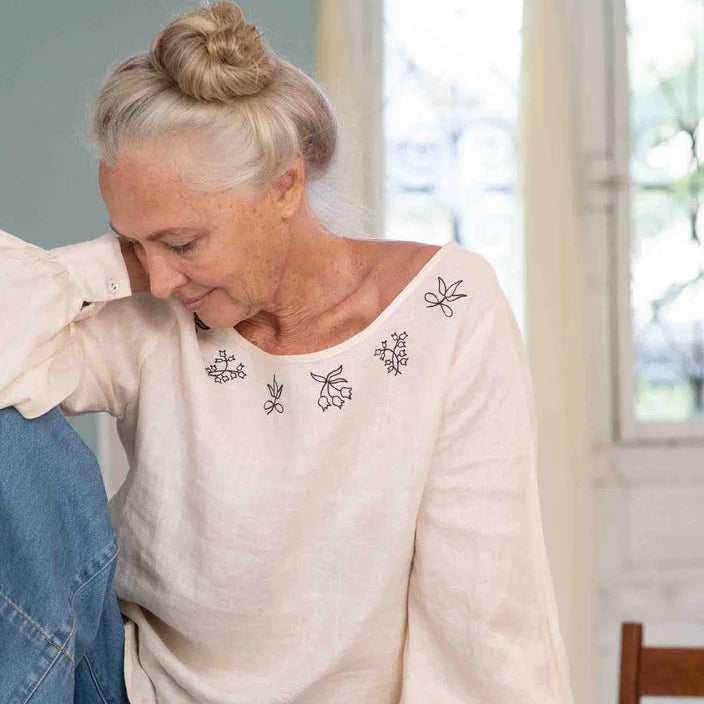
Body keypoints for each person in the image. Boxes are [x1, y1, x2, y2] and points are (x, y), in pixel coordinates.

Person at [0, 2, 575, 702]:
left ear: (285, 187)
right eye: (132, 242)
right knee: (8, 437)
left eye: (180, 242)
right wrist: (104, 269)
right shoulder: (153, 308)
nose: (158, 275)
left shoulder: (449, 308)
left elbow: (483, 609)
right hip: (124, 687)